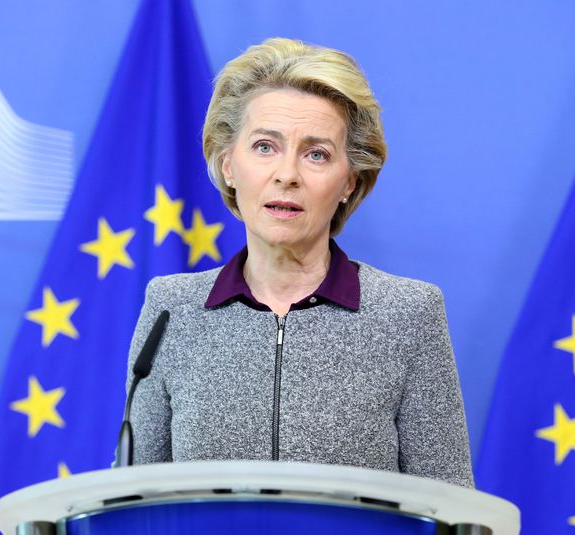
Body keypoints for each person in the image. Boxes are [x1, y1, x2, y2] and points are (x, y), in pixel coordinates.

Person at [128, 38, 473, 488]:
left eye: (316, 154)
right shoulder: (170, 308)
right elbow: (135, 504)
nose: (287, 174)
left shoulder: (409, 314)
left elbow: (450, 508)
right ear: (228, 164)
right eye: (265, 146)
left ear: (349, 180)